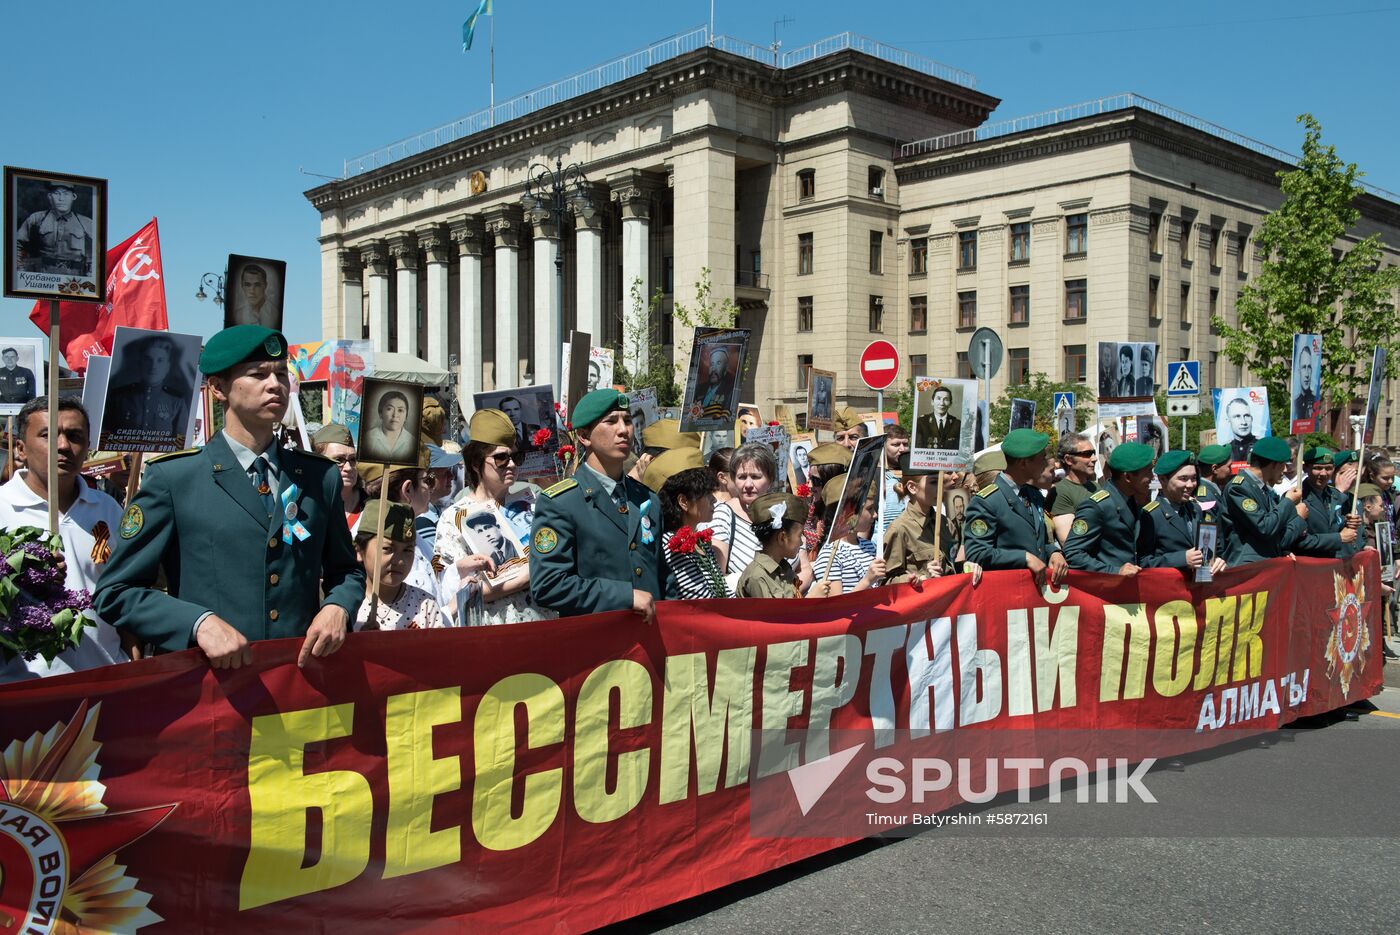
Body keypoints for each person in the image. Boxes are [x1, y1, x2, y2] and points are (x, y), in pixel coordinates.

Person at [94, 325, 365, 668]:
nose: (275, 384)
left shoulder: (317, 476)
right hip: (212, 691)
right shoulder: (175, 478)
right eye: (258, 374)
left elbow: (346, 572)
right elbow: (116, 592)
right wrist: (197, 623)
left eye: (281, 373)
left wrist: (337, 607)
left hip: (298, 684)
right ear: (218, 388)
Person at [0, 397, 127, 682]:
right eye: (47, 435)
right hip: (21, 685)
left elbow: (125, 588)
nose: (63, 446)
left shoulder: (108, 509)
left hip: (104, 678)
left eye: (74, 436)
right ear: (21, 448)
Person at [530, 389, 674, 621]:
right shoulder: (560, 503)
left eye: (627, 421)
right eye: (611, 421)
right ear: (584, 436)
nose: (623, 430)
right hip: (597, 646)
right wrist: (624, 596)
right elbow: (548, 584)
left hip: (648, 642)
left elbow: (662, 577)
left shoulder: (647, 499)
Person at [437, 409, 554, 626]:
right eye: (501, 458)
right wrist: (524, 578)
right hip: (490, 633)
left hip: (541, 626)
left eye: (516, 457)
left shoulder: (534, 505)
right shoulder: (454, 517)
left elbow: (554, 563)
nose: (511, 464)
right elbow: (457, 588)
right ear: (475, 463)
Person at [962, 428, 1069, 588]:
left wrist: (1053, 552)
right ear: (1023, 463)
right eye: (1041, 458)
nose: (1046, 463)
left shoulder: (1034, 495)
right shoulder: (987, 501)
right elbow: (977, 553)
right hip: (1006, 591)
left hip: (1034, 592)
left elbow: (1038, 541)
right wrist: (1023, 557)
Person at [703, 442, 798, 593]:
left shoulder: (787, 511)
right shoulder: (723, 515)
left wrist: (792, 593)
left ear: (771, 479)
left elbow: (804, 568)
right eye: (741, 477)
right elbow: (716, 579)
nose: (748, 484)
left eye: (755, 476)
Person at [883, 455, 982, 586]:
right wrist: (919, 578)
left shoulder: (946, 524)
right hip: (920, 602)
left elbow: (951, 565)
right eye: (934, 482)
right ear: (912, 487)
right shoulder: (900, 529)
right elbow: (886, 581)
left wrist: (966, 567)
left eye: (941, 482)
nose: (940, 488)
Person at [1064, 442, 1159, 574]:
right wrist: (1114, 571)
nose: (1152, 477)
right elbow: (1073, 554)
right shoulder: (1097, 507)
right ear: (1128, 477)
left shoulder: (1134, 501)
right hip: (1108, 590)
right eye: (1148, 472)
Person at [353, 499, 444, 631]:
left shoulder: (425, 605)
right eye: (388, 549)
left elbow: (439, 649)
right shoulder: (346, 605)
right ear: (360, 551)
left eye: (407, 550)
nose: (399, 561)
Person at [650, 448, 727, 599]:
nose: (714, 500)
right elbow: (700, 600)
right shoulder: (671, 545)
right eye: (706, 494)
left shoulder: (701, 542)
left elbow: (723, 591)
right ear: (683, 501)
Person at [1139, 450, 1227, 576]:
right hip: (1170, 592)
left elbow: (1209, 550)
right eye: (1183, 479)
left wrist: (1217, 561)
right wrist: (1182, 559)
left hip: (1200, 587)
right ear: (1163, 479)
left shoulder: (1196, 509)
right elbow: (1143, 562)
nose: (1190, 485)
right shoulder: (1151, 515)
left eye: (1194, 478)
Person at [1223, 436, 1304, 565]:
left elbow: (1277, 530)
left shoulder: (1265, 490)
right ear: (1274, 465)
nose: (1284, 470)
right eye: (1283, 465)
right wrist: (1288, 501)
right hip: (1248, 567)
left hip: (1265, 564)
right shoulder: (1238, 488)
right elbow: (1265, 527)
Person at [105, 335, 191, 445]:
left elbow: (181, 441)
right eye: (148, 360)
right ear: (140, 364)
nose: (153, 366)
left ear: (167, 367)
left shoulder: (176, 401)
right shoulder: (119, 397)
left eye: (160, 360)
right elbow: (106, 436)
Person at [812, 478, 886, 594]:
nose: (875, 514)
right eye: (869, 509)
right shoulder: (830, 555)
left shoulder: (869, 546)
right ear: (848, 514)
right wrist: (867, 581)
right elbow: (836, 606)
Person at [736, 491, 809, 599]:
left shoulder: (784, 569)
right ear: (782, 538)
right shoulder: (758, 576)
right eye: (799, 535)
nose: (802, 542)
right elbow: (774, 614)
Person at [1293, 447, 1362, 559]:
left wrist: (1348, 523)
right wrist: (1338, 538)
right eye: (1318, 468)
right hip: (1310, 565)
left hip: (1334, 565)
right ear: (1305, 468)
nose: (1324, 473)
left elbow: (1336, 528)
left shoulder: (1335, 495)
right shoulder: (1296, 497)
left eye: (1329, 468)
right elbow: (1298, 541)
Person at [14, 181, 94, 275]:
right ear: (50, 196)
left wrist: (91, 275)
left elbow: (97, 251)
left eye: (66, 194)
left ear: (73, 197)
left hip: (75, 281)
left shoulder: (86, 223)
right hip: (43, 278)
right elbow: (16, 244)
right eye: (56, 194)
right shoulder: (36, 219)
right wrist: (21, 270)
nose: (61, 199)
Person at [1049, 432, 1098, 544]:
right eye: (1087, 454)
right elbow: (1069, 542)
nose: (1094, 458)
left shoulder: (1095, 486)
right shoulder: (1060, 492)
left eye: (1093, 453)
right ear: (1068, 459)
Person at [312, 423, 364, 520]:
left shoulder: (372, 506)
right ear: (317, 461)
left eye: (352, 459)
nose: (348, 468)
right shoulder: (307, 505)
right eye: (339, 460)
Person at [876, 424, 912, 539]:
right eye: (896, 444)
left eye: (905, 444)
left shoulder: (914, 474)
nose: (902, 449)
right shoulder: (876, 476)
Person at [363, 390, 416, 463]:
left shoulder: (413, 442)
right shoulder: (367, 438)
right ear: (380, 413)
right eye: (389, 409)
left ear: (406, 416)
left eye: (400, 410)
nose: (395, 415)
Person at [231, 263, 281, 329]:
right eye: (247, 285)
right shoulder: (237, 315)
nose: (252, 291)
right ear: (242, 286)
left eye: (257, 285)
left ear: (265, 285)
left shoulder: (275, 314)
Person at [915, 386, 961, 450]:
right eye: (938, 398)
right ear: (932, 402)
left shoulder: (958, 424)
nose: (942, 403)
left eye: (946, 399)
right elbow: (917, 450)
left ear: (950, 404)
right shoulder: (921, 422)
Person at [697, 345, 736, 419]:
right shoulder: (699, 388)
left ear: (726, 368)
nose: (713, 369)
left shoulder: (730, 391)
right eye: (712, 364)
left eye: (718, 363)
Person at [1223, 396, 1258, 463]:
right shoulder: (1225, 449)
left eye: (1247, 416)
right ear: (1228, 420)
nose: (1243, 422)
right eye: (1237, 416)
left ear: (1252, 418)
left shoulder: (1261, 445)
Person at [1293, 345, 1319, 422]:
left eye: (1309, 367)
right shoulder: (1295, 402)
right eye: (1304, 367)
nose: (1307, 375)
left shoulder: (1315, 399)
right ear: (1299, 371)